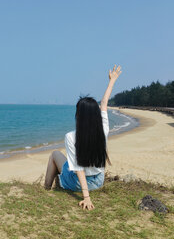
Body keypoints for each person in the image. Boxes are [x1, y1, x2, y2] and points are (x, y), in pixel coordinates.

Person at [44, 65, 122, 211]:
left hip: (79, 184)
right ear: (95, 114)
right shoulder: (103, 129)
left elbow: (78, 169)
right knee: (68, 163)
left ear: (79, 116)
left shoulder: (71, 137)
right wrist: (112, 81)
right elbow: (104, 104)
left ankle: (46, 189)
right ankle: (51, 186)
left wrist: (86, 197)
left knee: (55, 154)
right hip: (98, 181)